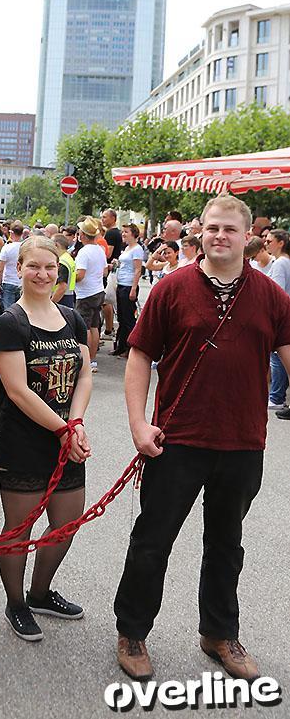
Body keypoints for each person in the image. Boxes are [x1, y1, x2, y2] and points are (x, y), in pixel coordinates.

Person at [114, 195, 290, 682]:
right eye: (212, 228)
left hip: (242, 442)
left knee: (226, 545)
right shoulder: (171, 289)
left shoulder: (273, 297)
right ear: (201, 231)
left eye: (230, 230)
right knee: (153, 540)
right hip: (177, 439)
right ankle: (132, 631)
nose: (219, 236)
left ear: (247, 234)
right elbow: (138, 358)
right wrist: (137, 424)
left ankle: (218, 634)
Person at [0, 236, 92, 640]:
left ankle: (40, 592)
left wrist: (77, 422)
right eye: (34, 267)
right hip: (24, 440)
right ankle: (15, 603)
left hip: (68, 435)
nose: (43, 274)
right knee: (19, 528)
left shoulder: (72, 318)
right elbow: (18, 391)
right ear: (19, 270)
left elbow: (84, 373)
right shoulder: (10, 323)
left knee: (65, 524)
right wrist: (64, 428)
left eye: (50, 268)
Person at [74, 218, 107, 373]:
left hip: (85, 293)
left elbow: (80, 275)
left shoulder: (84, 251)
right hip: (98, 290)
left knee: (84, 327)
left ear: (83, 235)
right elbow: (105, 271)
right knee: (94, 326)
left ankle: (85, 360)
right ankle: (92, 359)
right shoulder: (99, 249)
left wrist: (70, 278)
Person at [265, 229, 290, 410]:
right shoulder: (284, 261)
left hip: (281, 315)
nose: (266, 244)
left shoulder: (281, 263)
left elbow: (277, 291)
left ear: (280, 242)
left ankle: (276, 397)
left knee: (277, 358)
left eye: (269, 241)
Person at [111, 224, 143, 358]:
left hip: (129, 285)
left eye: (126, 232)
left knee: (129, 318)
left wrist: (133, 288)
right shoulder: (127, 248)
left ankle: (131, 347)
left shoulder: (137, 249)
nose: (123, 234)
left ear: (133, 233)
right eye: (123, 232)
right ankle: (121, 345)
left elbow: (137, 269)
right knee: (122, 318)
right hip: (121, 283)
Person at [101, 210, 123, 336]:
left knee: (106, 300)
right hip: (113, 269)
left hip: (110, 270)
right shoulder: (115, 232)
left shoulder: (111, 233)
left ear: (113, 218)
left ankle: (109, 328)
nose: (103, 219)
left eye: (105, 217)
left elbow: (108, 253)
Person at [0, 222, 24, 310]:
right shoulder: (25, 248)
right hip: (21, 283)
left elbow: (0, 269)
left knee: (9, 311)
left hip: (8, 282)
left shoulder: (7, 248)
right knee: (21, 310)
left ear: (11, 232)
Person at [52, 233, 76, 307]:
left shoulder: (62, 262)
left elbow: (62, 287)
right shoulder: (68, 258)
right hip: (69, 296)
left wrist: (51, 303)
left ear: (56, 245)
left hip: (61, 298)